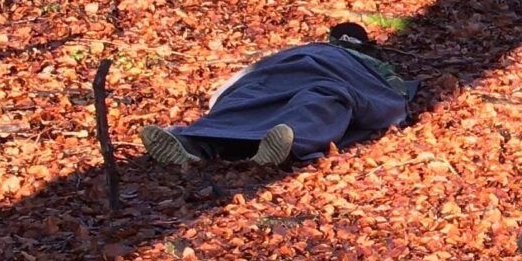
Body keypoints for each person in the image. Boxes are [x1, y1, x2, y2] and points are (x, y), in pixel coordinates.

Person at [140, 23, 413, 168]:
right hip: (292, 71)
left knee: (317, 97)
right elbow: (393, 94)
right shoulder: (310, 49)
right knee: (255, 95)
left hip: (326, 75)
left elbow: (387, 90)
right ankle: (190, 143)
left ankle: (279, 144)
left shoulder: (367, 62)